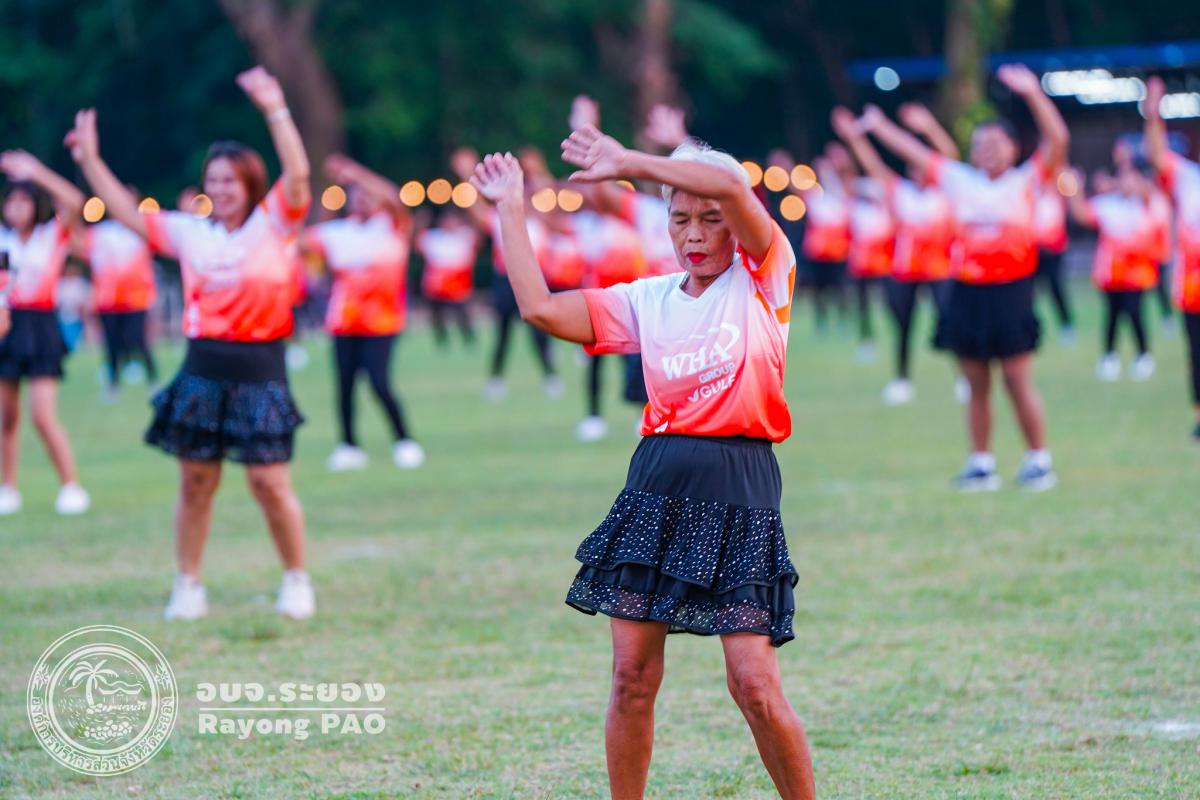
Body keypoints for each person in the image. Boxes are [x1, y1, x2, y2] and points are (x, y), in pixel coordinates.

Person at [471, 126, 815, 796]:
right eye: (680, 219)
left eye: (710, 220)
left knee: (753, 684)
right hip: (655, 486)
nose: (695, 235)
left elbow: (731, 184)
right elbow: (540, 309)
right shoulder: (647, 299)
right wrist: (510, 209)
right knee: (631, 680)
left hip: (741, 486)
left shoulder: (765, 276)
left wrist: (630, 161)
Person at [68, 66, 315, 620]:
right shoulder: (189, 231)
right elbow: (125, 212)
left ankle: (296, 578)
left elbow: (298, 174)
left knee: (270, 483)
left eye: (230, 180)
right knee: (196, 482)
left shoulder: (275, 224)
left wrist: (275, 108)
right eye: (213, 179)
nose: (220, 189)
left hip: (261, 367)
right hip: (202, 367)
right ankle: (188, 583)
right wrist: (90, 160)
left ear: (250, 183)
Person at [860, 62, 1069, 491]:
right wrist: (878, 126)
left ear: (1013, 148)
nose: (986, 150)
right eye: (979, 144)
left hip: (1012, 291)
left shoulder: (1027, 180)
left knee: (1017, 381)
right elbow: (914, 152)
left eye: (995, 143)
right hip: (967, 292)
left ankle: (1038, 460)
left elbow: (1059, 138)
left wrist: (1033, 92)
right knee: (976, 385)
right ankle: (981, 463)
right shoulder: (958, 180)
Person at [302, 153, 425, 472]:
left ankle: (404, 440)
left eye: (368, 195)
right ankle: (348, 446)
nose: (362, 199)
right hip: (344, 322)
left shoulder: (392, 227)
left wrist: (355, 173)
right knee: (344, 387)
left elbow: (394, 197)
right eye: (357, 195)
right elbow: (301, 242)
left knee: (379, 382)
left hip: (382, 323)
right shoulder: (337, 232)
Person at [832, 104, 954, 405]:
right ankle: (901, 380)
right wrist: (854, 138)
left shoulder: (944, 192)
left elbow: (948, 155)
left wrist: (929, 127)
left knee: (950, 320)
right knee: (902, 326)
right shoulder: (901, 191)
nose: (918, 170)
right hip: (905, 270)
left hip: (939, 269)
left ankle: (963, 377)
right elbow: (873, 165)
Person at [0, 150, 91, 516]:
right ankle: (8, 487)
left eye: (23, 201)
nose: (17, 209)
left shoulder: (51, 233)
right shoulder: (3, 238)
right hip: (7, 324)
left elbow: (76, 201)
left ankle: (71, 485)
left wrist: (36, 171)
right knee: (7, 416)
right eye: (11, 202)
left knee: (42, 414)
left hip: (40, 325)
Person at [451, 146, 562, 402]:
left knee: (540, 332)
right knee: (502, 333)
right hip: (505, 281)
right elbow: (476, 210)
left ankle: (550, 376)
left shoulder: (541, 222)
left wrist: (538, 169)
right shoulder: (502, 219)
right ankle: (496, 378)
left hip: (535, 280)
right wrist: (466, 176)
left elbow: (551, 195)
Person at [1143, 76, 1200, 439]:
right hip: (1194, 288)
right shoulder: (1187, 178)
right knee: (1197, 355)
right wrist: (1153, 115)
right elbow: (1156, 156)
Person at [1063, 166, 1158, 382]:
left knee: (1134, 313)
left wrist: (1113, 184)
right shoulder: (1107, 204)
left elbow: (1149, 190)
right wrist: (1074, 189)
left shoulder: (1144, 203)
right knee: (1112, 315)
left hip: (1137, 273)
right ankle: (1109, 357)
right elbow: (1081, 213)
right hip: (1110, 273)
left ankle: (1143, 355)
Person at [77, 204, 159, 400]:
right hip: (108, 299)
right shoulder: (99, 233)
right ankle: (113, 384)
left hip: (136, 299)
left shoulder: (141, 230)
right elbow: (80, 247)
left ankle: (153, 380)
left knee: (137, 339)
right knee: (111, 343)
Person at [417, 208, 478, 350]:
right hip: (436, 285)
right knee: (437, 315)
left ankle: (469, 338)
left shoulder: (465, 235)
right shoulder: (433, 237)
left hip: (457, 283)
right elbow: (419, 246)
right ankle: (442, 340)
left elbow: (475, 246)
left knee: (461, 314)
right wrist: (421, 224)